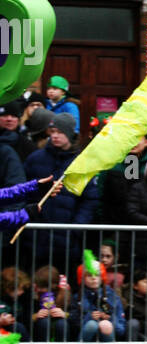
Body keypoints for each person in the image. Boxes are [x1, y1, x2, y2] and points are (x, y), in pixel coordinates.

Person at [24, 115, 99, 271]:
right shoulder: (35, 158)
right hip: (37, 237)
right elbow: (23, 190)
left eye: (60, 132)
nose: (55, 136)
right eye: (53, 131)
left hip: (66, 240)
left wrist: (76, 228)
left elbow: (90, 199)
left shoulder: (81, 163)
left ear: (71, 134)